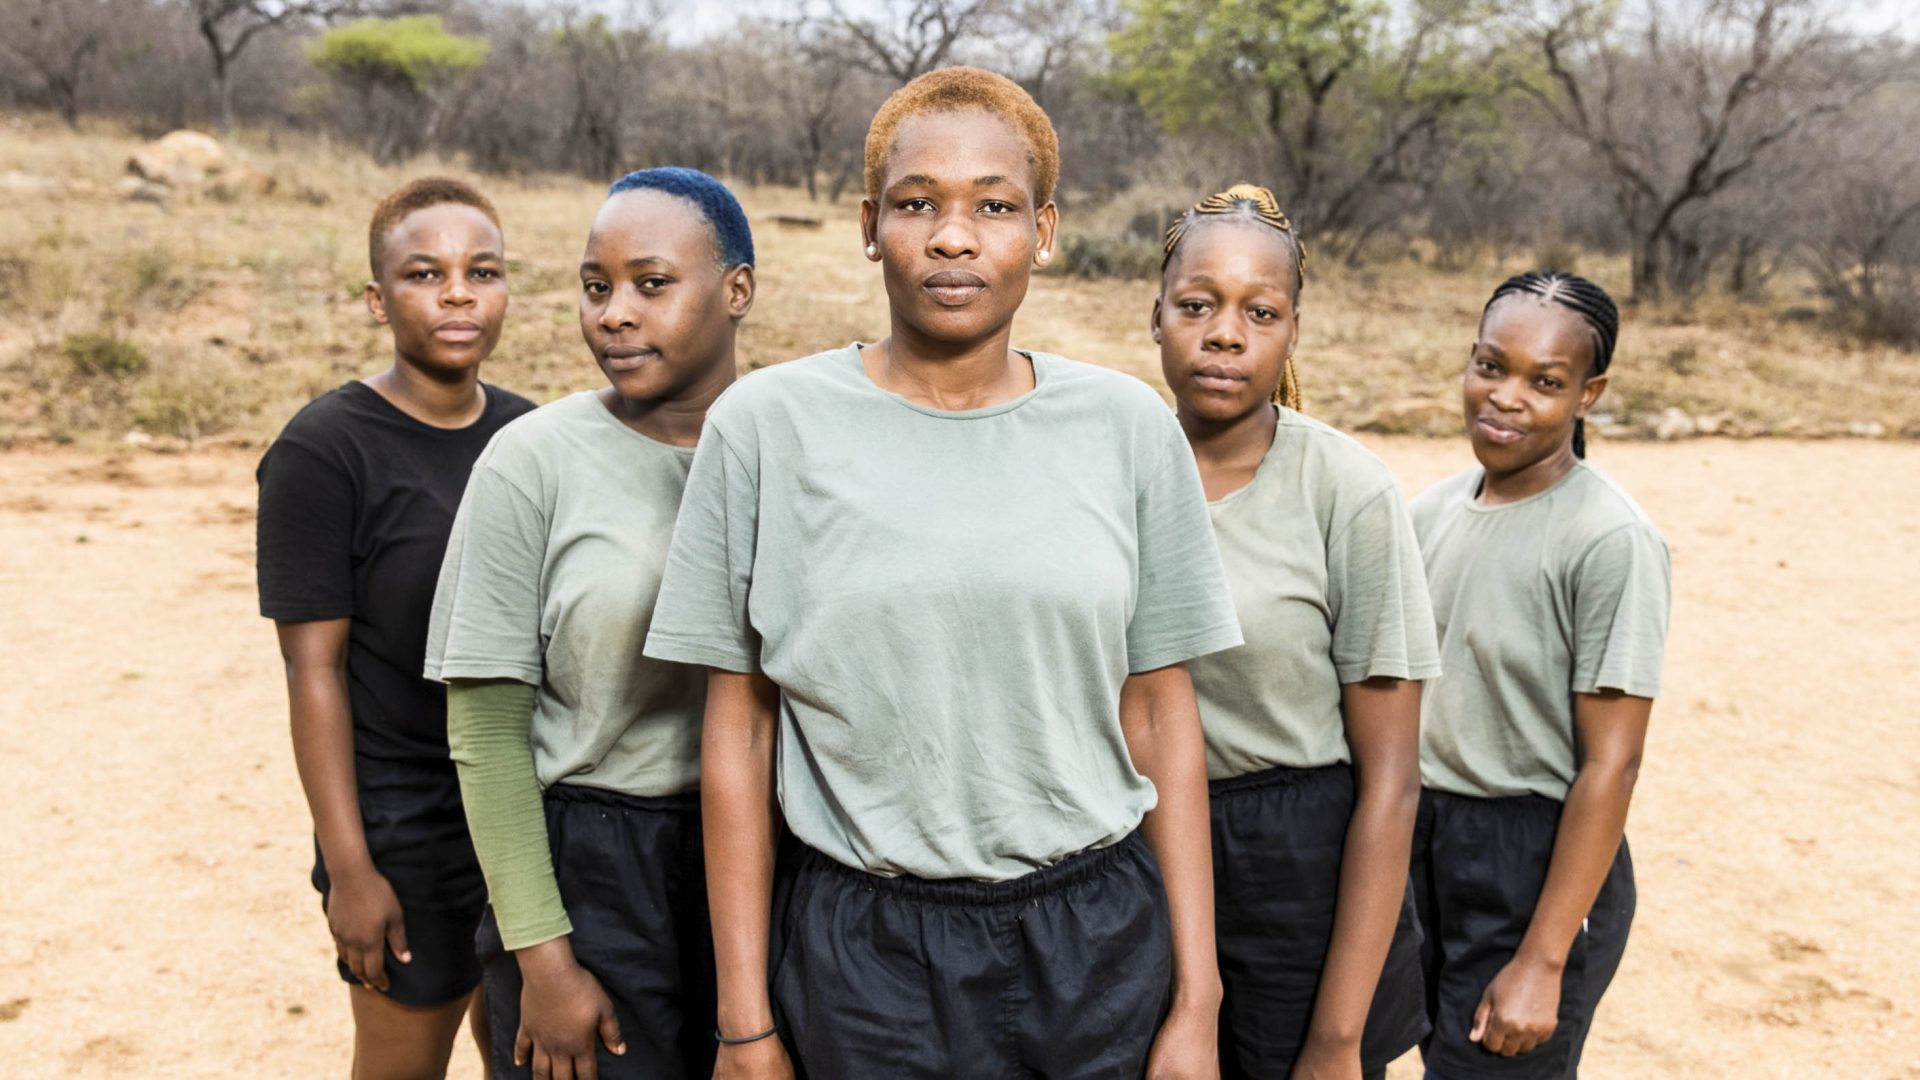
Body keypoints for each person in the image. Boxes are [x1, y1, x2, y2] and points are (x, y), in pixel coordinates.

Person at [643, 66, 1242, 1079]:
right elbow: (737, 725)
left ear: (1043, 231)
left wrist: (1196, 996)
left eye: (995, 207)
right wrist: (743, 1020)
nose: (954, 238)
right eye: (919, 204)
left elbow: (1161, 714)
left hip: (1094, 939)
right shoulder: (765, 427)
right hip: (862, 947)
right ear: (871, 224)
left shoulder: (1127, 427)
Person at [424, 167, 757, 1080]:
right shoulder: (533, 463)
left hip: (776, 855)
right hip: (595, 869)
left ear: (737, 290)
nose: (614, 313)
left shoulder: (797, 444)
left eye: (652, 285)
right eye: (595, 286)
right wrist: (544, 959)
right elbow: (487, 732)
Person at [1155, 184, 1438, 1080]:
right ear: (1155, 316)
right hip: (1142, 860)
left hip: (1299, 875)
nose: (1226, 333)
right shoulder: (1112, 471)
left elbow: (1391, 780)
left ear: (1292, 333)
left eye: (1260, 311)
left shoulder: (1345, 491)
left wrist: (1337, 1038)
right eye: (1197, 305)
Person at [256, 176, 534, 1079]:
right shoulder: (325, 450)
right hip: (400, 822)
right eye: (426, 273)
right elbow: (315, 673)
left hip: (519, 812)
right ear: (379, 300)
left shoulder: (532, 438)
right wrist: (350, 867)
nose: (458, 293)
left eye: (481, 270)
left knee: (527, 1056)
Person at [1409, 271, 1670, 1080]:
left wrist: (1545, 958)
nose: (1506, 397)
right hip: (1420, 840)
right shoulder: (1430, 513)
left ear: (1588, 394)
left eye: (1545, 382)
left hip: (1530, 856)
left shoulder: (1608, 540)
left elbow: (1612, 761)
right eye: (1491, 366)